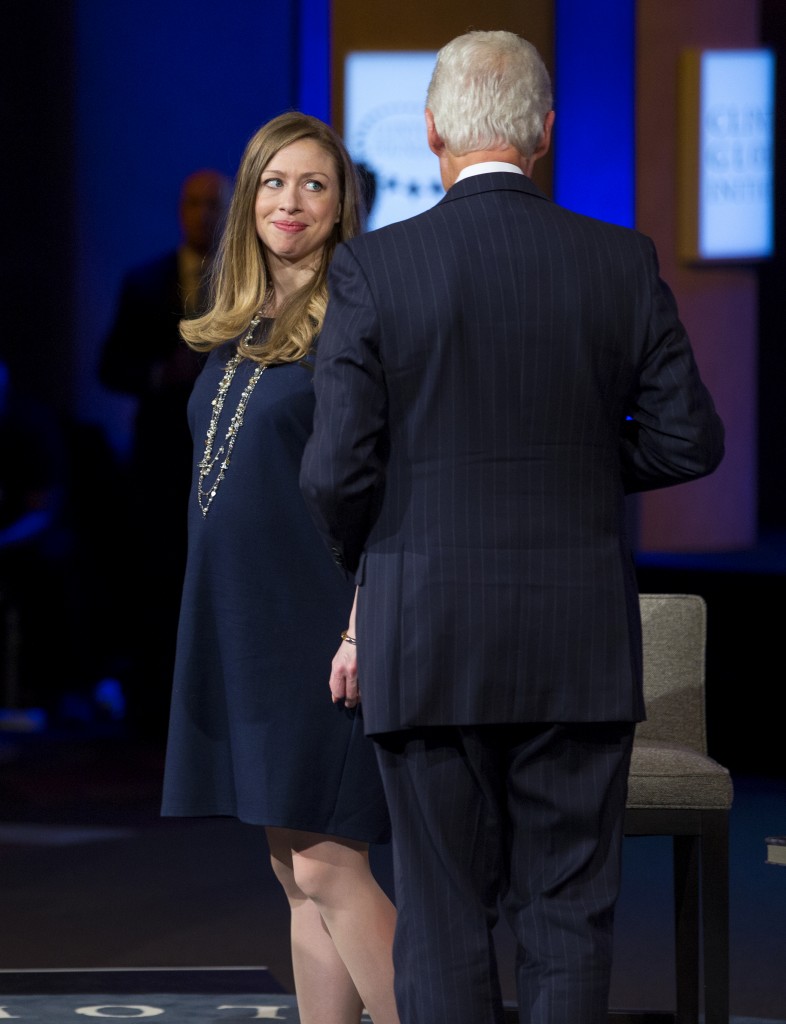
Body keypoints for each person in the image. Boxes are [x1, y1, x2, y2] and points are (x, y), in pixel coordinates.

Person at [300, 30, 725, 1024]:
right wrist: (580, 468)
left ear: (434, 129)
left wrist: (377, 551)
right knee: (569, 914)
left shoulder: (374, 271)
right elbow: (689, 439)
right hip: (577, 642)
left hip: (426, 634)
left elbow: (333, 471)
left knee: (444, 919)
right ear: (543, 133)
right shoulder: (621, 261)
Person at [161, 113, 399, 1024]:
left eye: (313, 185)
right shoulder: (243, 324)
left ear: (343, 207)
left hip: (320, 629)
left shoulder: (356, 324)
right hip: (245, 626)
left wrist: (360, 625)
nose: (289, 202)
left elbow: (387, 488)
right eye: (272, 182)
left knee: (330, 867)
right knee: (292, 873)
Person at [99, 169, 232, 734]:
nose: (202, 214)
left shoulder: (244, 280)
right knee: (158, 576)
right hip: (160, 456)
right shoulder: (144, 281)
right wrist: (160, 374)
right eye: (193, 203)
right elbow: (109, 366)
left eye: (213, 204)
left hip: (224, 454)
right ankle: (157, 706)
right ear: (181, 209)